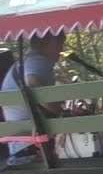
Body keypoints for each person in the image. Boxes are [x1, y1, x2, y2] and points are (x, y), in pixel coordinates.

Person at [1, 33, 66, 162]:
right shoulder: (38, 60)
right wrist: (55, 109)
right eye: (59, 44)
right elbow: (31, 80)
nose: (61, 49)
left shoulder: (25, 62)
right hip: (33, 146)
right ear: (47, 43)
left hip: (20, 145)